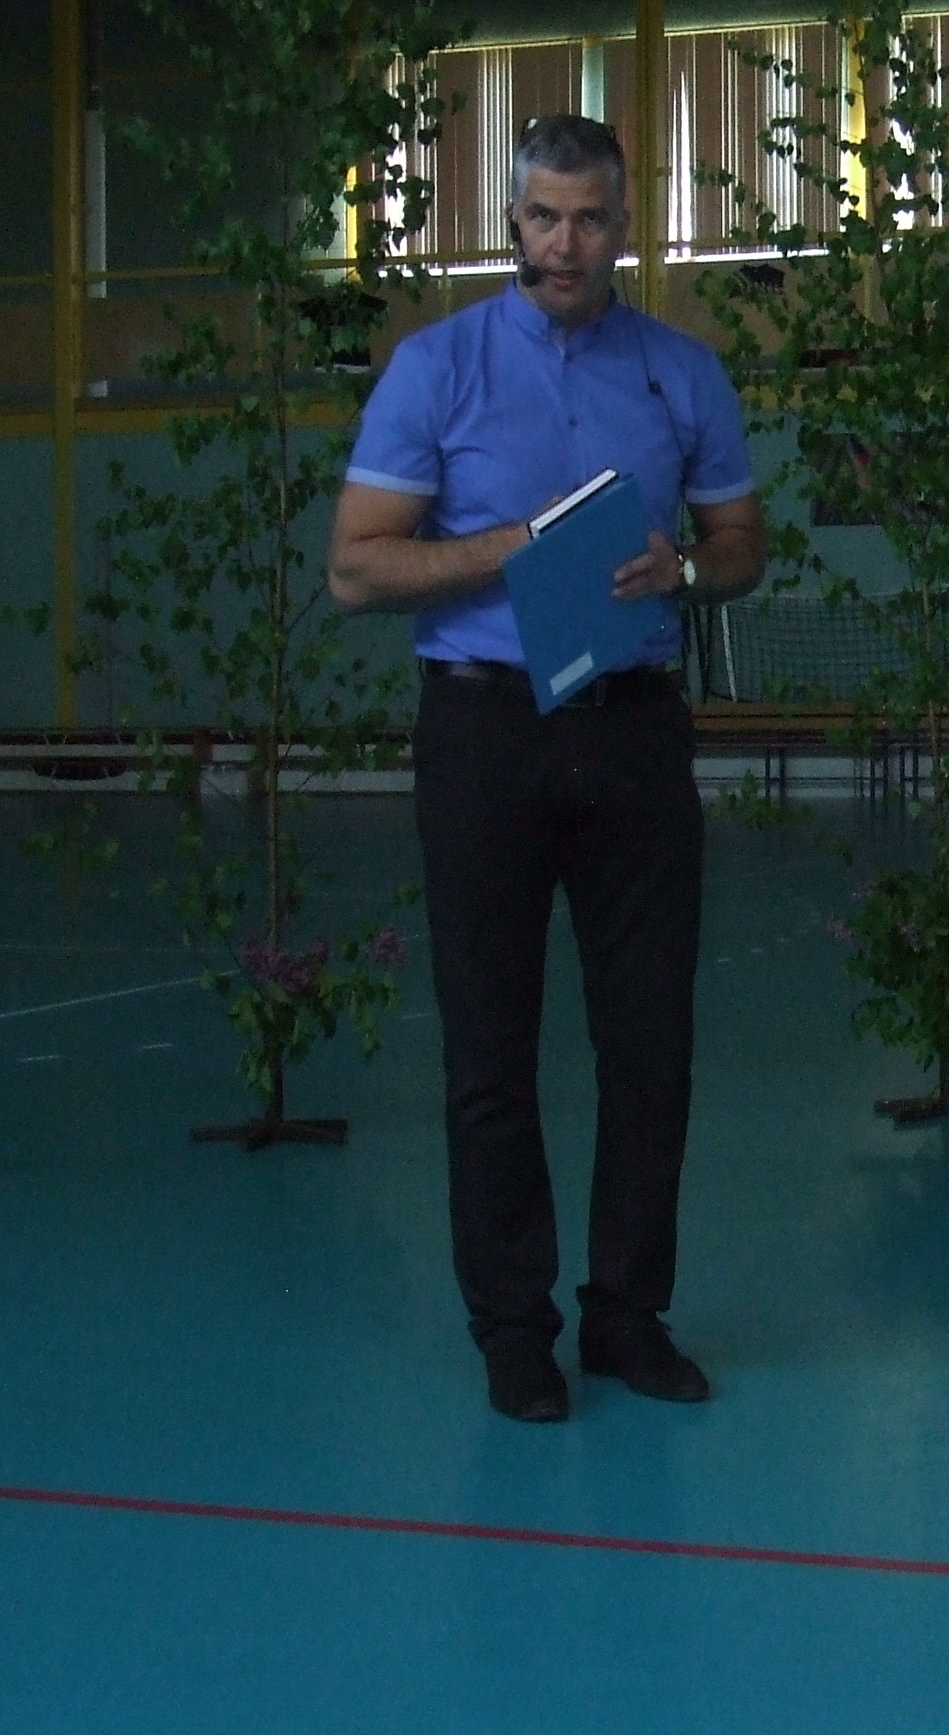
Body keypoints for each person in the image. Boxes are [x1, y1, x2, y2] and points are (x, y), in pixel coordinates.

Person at [328, 115, 767, 1421]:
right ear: (510, 223)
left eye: (589, 219)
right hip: (485, 730)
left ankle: (628, 1315)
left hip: (633, 729)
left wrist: (688, 569)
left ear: (625, 229)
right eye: (542, 217)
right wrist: (512, 545)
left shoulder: (683, 373)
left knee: (652, 1046)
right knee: (488, 1051)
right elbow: (357, 569)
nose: (564, 243)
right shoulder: (436, 368)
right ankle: (513, 1330)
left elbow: (743, 542)